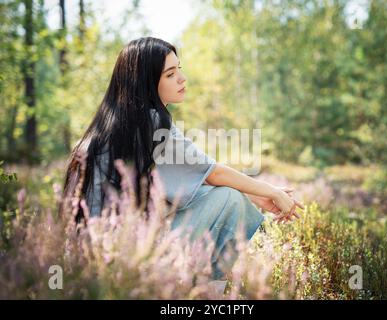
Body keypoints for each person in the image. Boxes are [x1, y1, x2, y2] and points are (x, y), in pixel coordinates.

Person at [62, 37, 303, 293]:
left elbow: (189, 183)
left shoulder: (113, 123)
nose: (182, 78)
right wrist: (272, 192)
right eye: (170, 73)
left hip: (91, 262)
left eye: (180, 68)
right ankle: (204, 294)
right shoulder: (151, 122)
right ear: (146, 82)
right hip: (122, 259)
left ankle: (198, 292)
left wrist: (256, 196)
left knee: (224, 195)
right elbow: (213, 173)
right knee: (230, 199)